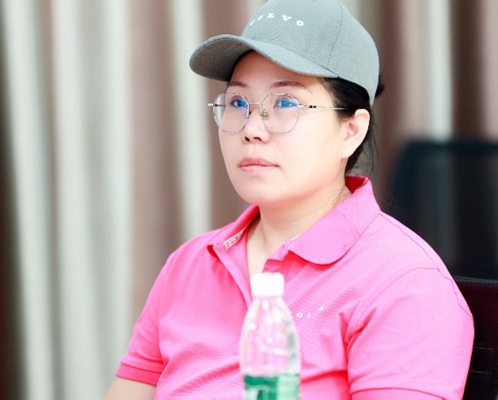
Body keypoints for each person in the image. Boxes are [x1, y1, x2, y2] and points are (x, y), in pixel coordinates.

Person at [105, 0, 474, 398]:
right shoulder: (189, 265)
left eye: (285, 104)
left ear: (351, 131)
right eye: (238, 103)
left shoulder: (403, 284)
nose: (251, 129)